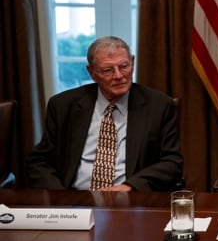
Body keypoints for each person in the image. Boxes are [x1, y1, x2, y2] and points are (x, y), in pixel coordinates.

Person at [27, 36, 183, 191]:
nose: (119, 76)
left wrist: (130, 186)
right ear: (91, 72)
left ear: (133, 62)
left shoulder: (159, 106)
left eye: (124, 66)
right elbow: (39, 161)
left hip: (130, 201)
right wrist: (61, 199)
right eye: (108, 70)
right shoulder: (63, 105)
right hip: (74, 200)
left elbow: (172, 162)